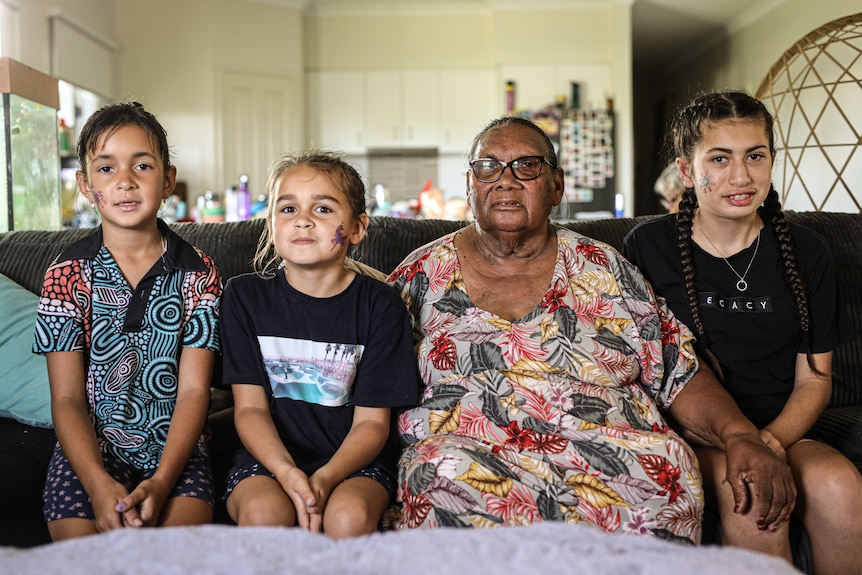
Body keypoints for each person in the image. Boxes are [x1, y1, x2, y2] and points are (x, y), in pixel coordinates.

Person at [386, 116, 795, 544]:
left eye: (527, 166)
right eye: (489, 166)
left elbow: (676, 367)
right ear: (470, 183)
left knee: (668, 462)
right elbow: (372, 391)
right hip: (466, 455)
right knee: (438, 472)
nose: (505, 181)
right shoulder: (419, 275)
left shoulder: (605, 268)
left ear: (557, 185)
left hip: (611, 449)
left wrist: (739, 435)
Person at [623, 91, 862, 572]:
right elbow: (640, 372)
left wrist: (767, 442)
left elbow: (815, 380)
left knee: (840, 485)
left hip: (784, 432)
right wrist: (740, 446)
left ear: (772, 160)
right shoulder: (646, 246)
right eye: (720, 158)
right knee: (749, 494)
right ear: (687, 172)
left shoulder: (807, 251)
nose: (741, 175)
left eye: (755, 156)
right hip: (699, 437)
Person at [33, 101, 222, 541]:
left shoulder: (200, 274)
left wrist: (160, 481)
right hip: (88, 455)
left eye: (142, 165)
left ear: (168, 180)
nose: (124, 181)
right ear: (84, 184)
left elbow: (196, 391)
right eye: (105, 168)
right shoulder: (65, 275)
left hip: (176, 452)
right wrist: (98, 485)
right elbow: (66, 400)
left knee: (169, 556)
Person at [220, 151, 420, 539]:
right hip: (267, 461)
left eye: (324, 208)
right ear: (272, 223)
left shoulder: (381, 305)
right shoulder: (243, 297)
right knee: (264, 516)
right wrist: (287, 473)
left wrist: (325, 479)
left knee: (346, 520)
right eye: (289, 208)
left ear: (358, 227)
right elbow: (249, 410)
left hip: (354, 464)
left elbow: (371, 424)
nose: (303, 220)